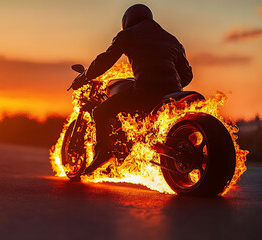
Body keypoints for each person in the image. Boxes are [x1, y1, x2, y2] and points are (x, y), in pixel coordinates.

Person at [82, 4, 193, 174]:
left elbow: (106, 59)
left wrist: (86, 75)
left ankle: (102, 152)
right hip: (173, 93)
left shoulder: (128, 35)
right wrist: (170, 85)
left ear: (127, 21)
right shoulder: (172, 39)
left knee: (101, 111)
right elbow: (187, 75)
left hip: (144, 91)